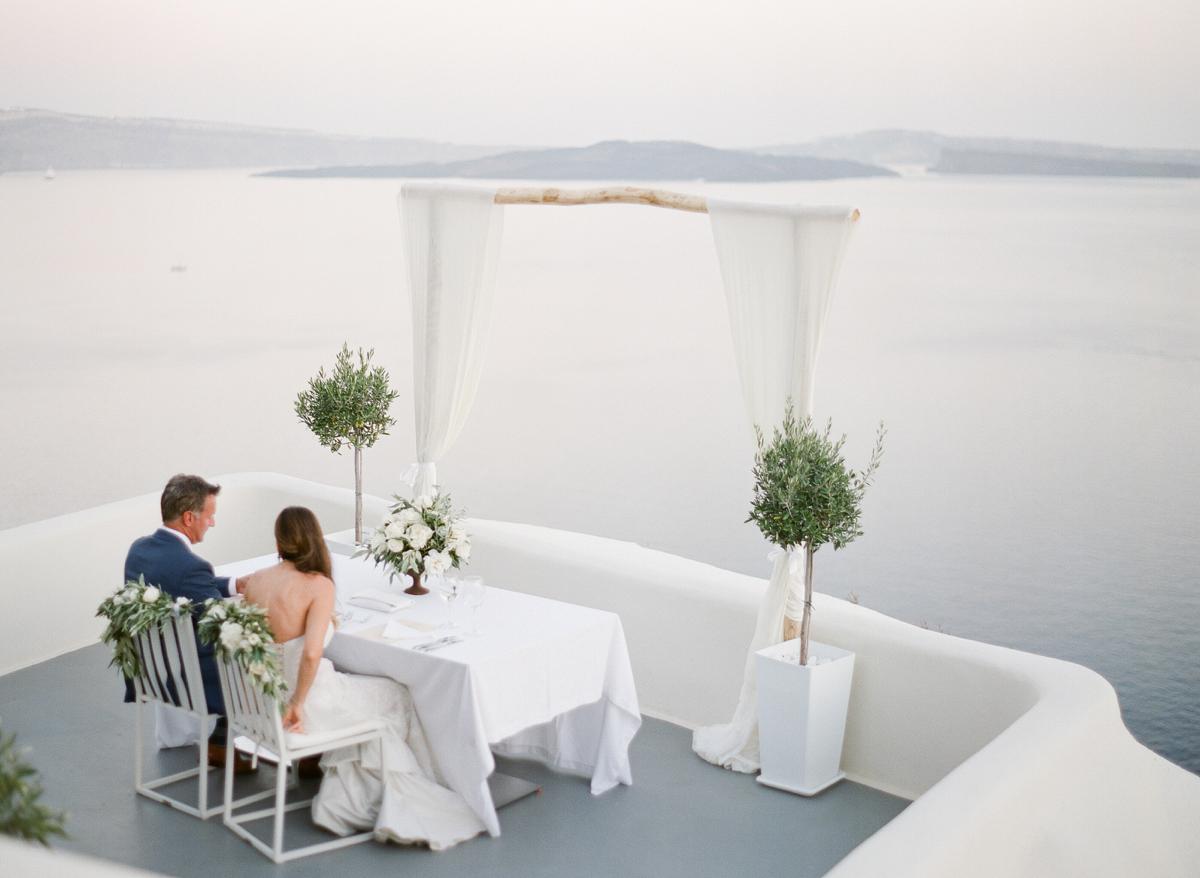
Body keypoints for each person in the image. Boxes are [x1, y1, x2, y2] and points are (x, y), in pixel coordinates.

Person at [241, 506, 485, 850]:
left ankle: (352, 792)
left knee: (366, 695)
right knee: (397, 694)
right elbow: (310, 654)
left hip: (264, 703)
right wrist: (297, 703)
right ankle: (361, 801)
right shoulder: (318, 585)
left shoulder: (257, 581)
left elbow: (267, 638)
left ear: (279, 539)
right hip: (304, 706)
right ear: (314, 537)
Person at [123, 474, 253, 770]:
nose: (213, 522)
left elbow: (182, 586)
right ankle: (238, 742)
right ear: (189, 518)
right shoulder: (191, 566)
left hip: (150, 670)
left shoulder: (139, 550)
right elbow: (225, 623)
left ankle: (222, 741)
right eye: (210, 516)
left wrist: (233, 585)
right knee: (264, 656)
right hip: (186, 678)